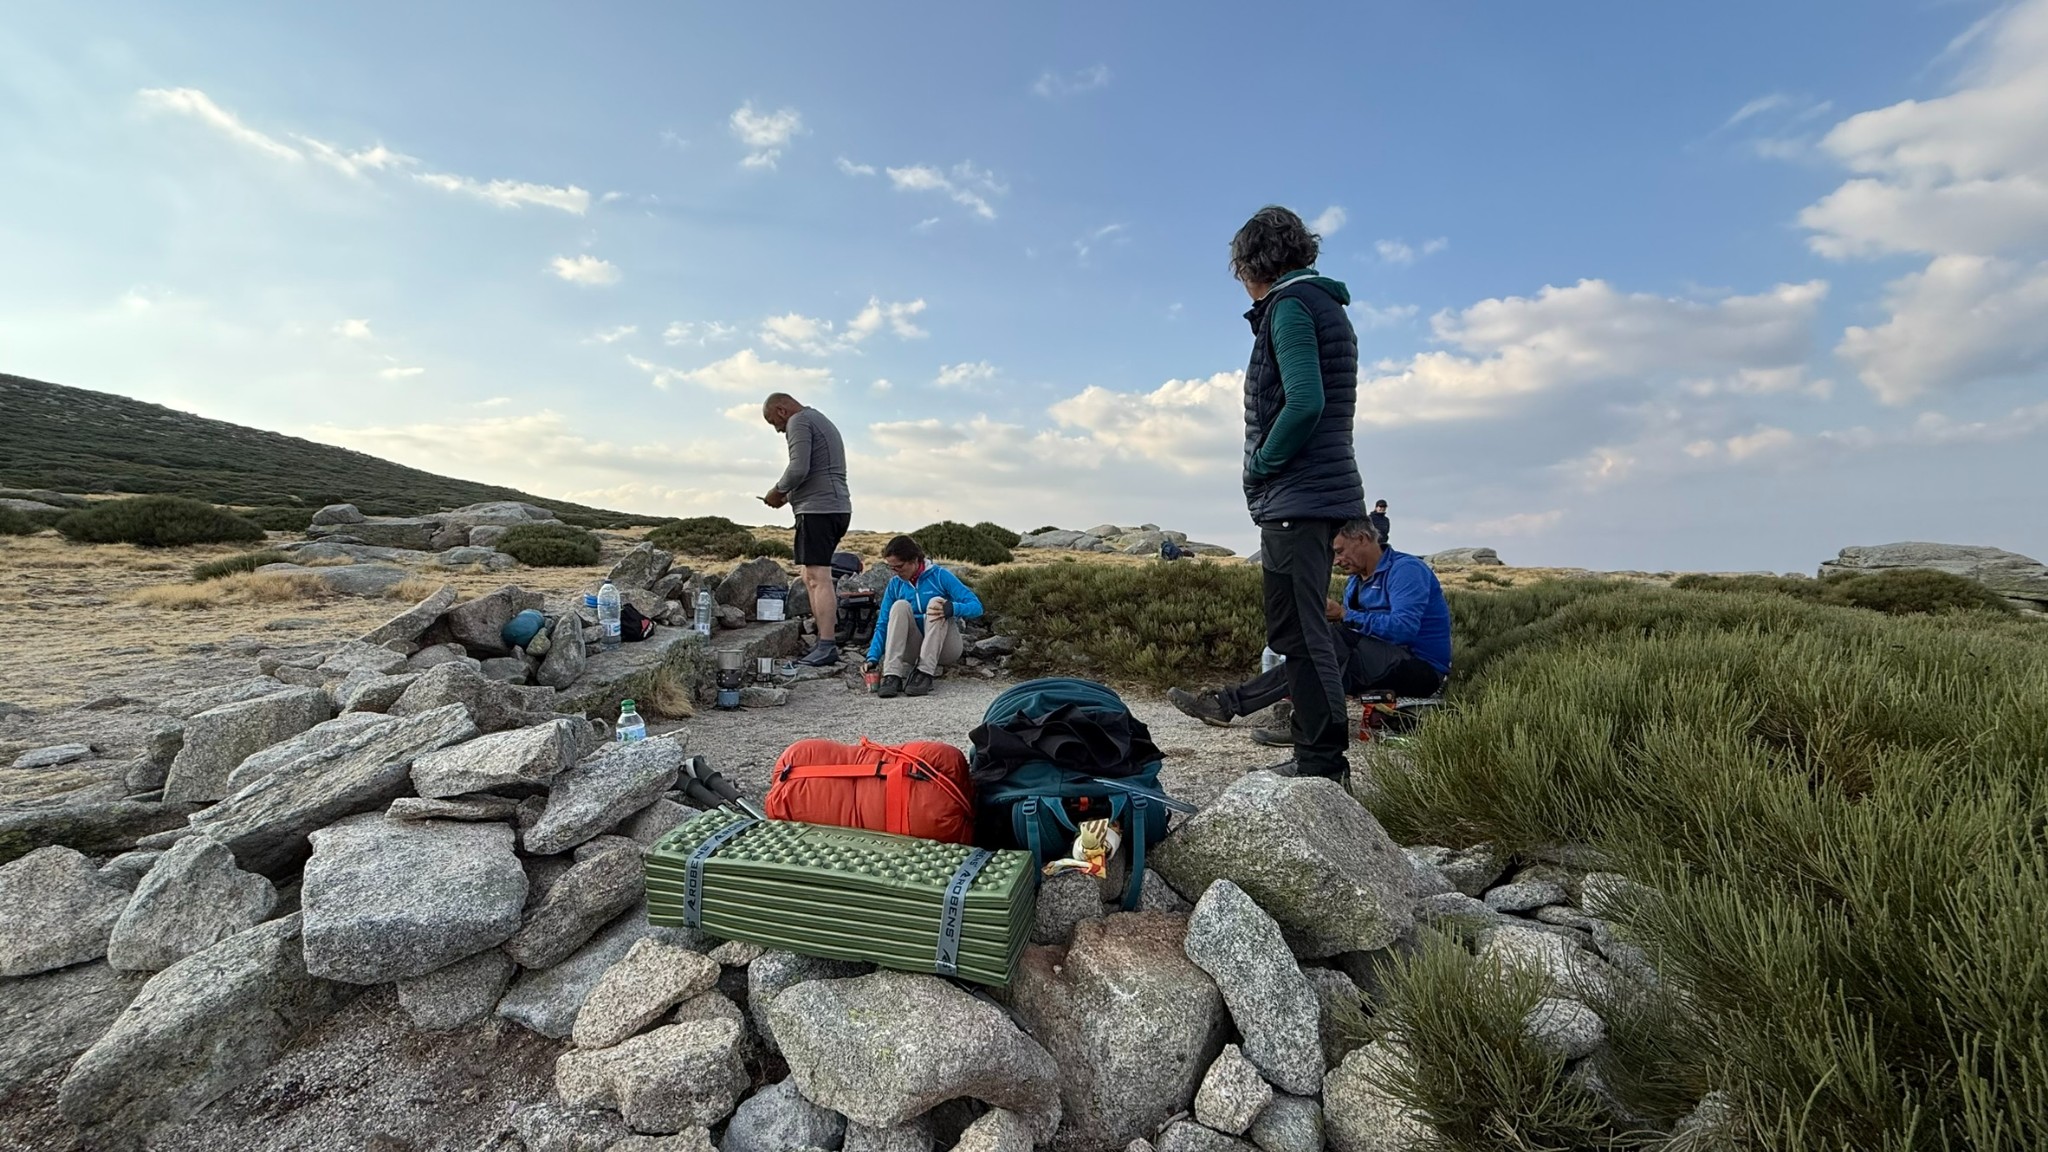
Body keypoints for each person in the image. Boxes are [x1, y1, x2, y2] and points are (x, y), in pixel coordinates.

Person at [1230, 205, 1366, 780]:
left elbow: (1305, 401)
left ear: (1252, 264)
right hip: (1313, 492)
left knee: (1302, 634)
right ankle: (1318, 758)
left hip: (1297, 494)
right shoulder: (1320, 303)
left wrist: (1263, 464)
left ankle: (1322, 763)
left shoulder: (1290, 306)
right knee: (1301, 631)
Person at [1168, 518, 1450, 742]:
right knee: (1318, 652)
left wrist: (1345, 615)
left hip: (1420, 669)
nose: (1336, 560)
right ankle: (1288, 719)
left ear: (1362, 539)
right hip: (1373, 662)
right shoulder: (1356, 582)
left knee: (1328, 643)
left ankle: (1244, 708)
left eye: (1339, 551)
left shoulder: (1405, 570)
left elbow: (1404, 629)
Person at [761, 393, 851, 667]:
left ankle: (826, 645)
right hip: (832, 506)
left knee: (817, 577)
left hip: (819, 510)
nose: (778, 430)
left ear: (781, 410)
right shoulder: (817, 419)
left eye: (774, 422)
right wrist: (789, 497)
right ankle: (824, 641)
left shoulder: (799, 421)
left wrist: (777, 491)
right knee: (808, 574)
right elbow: (817, 470)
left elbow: (799, 467)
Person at [865, 535, 985, 697]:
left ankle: (924, 673)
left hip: (944, 648)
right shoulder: (895, 584)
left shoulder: (940, 576)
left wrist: (953, 608)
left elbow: (977, 607)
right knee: (899, 606)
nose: (895, 572)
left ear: (914, 560)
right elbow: (883, 623)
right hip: (912, 650)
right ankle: (892, 674)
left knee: (936, 603)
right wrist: (872, 657)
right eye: (892, 568)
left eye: (899, 567)